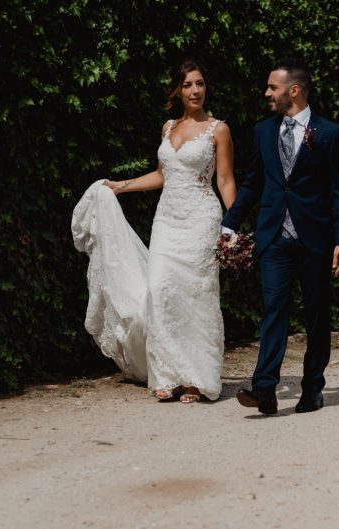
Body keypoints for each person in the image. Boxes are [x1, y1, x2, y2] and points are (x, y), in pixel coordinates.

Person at [72, 60, 236, 403]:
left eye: (200, 84)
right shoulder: (168, 127)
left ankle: (196, 379)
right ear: (177, 90)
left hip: (201, 219)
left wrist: (233, 225)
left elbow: (224, 180)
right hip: (167, 221)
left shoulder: (218, 129)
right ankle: (166, 374)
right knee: (159, 290)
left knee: (196, 296)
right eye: (188, 85)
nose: (195, 91)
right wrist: (122, 185)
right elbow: (163, 175)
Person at [221, 59, 339, 415]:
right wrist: (229, 223)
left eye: (272, 87)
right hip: (275, 238)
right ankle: (265, 389)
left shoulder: (330, 133)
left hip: (316, 240)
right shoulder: (263, 131)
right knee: (274, 310)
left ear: (293, 91)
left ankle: (313, 388)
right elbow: (252, 183)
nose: (266, 93)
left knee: (316, 316)